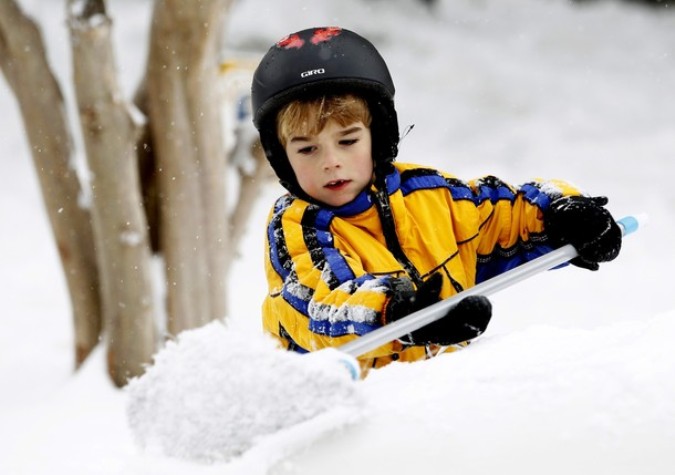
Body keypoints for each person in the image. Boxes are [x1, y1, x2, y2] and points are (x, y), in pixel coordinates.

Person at [250, 26, 622, 375]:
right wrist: (398, 313)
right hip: (339, 419)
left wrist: (564, 216)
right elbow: (322, 304)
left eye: (348, 141)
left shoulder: (425, 193)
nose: (331, 161)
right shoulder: (298, 225)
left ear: (379, 135)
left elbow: (500, 214)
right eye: (307, 149)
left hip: (432, 403)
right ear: (281, 156)